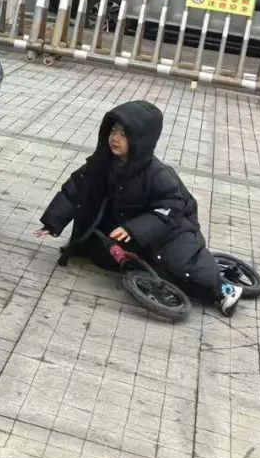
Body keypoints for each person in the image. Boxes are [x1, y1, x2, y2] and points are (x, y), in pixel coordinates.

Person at [37, 99, 242, 316]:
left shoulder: (157, 173)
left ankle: (223, 288)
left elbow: (171, 207)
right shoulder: (103, 161)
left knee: (182, 265)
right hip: (129, 222)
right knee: (101, 255)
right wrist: (53, 222)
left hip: (171, 226)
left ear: (140, 140)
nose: (114, 138)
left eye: (124, 134)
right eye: (113, 130)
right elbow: (76, 189)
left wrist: (134, 229)